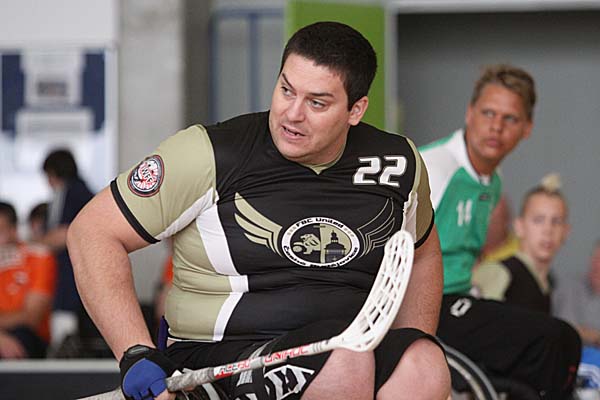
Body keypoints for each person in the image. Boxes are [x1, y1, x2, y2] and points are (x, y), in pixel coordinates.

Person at [67, 21, 451, 400]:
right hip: (220, 362)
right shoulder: (211, 153)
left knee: (423, 365)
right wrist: (135, 352)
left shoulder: (398, 162)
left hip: (348, 349)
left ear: (356, 110)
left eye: (317, 102)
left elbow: (421, 253)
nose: (292, 113)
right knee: (343, 363)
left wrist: (409, 338)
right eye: (286, 90)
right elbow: (93, 231)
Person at [419, 64, 581, 398]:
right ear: (469, 113)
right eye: (488, 113)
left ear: (527, 128)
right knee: (556, 339)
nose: (496, 127)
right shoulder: (434, 168)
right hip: (426, 307)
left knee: (554, 347)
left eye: (510, 119)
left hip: (461, 298)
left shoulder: (493, 182)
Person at [472, 173, 570, 312]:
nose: (548, 230)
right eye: (538, 220)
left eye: (556, 221)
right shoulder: (500, 272)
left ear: (566, 231)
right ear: (519, 227)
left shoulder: (548, 283)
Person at [39, 149, 94, 349]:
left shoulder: (74, 192)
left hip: (72, 271)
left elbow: (68, 232)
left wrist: (37, 243)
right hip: (71, 270)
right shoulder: (74, 191)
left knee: (66, 324)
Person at [0, 201, 57, 358]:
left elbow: (32, 316)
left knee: (20, 338)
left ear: (13, 230)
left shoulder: (38, 257)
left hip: (28, 338)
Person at [554, 240, 600, 391]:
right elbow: (562, 329)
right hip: (567, 361)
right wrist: (594, 336)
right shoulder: (570, 286)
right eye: (596, 259)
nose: (597, 266)